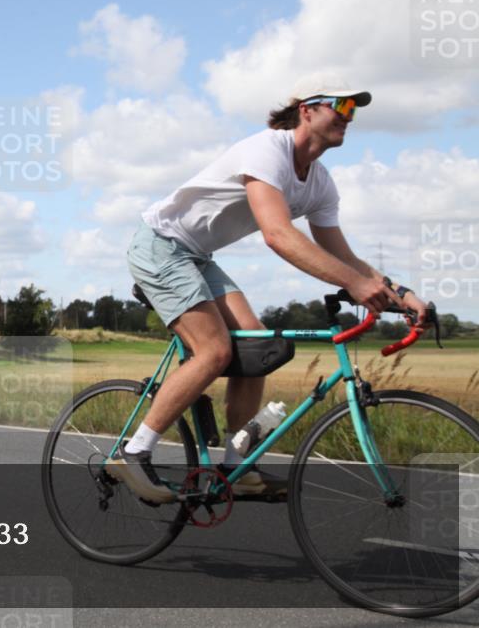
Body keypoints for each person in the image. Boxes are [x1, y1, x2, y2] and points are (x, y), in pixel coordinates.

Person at [105, 74, 432, 503]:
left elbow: (345, 256)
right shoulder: (267, 150)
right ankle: (133, 452)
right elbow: (277, 235)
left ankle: (235, 466)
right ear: (308, 110)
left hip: (199, 257)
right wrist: (354, 284)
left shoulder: (320, 182)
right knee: (214, 351)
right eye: (343, 106)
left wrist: (399, 293)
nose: (349, 118)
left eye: (355, 111)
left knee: (256, 345)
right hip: (161, 246)